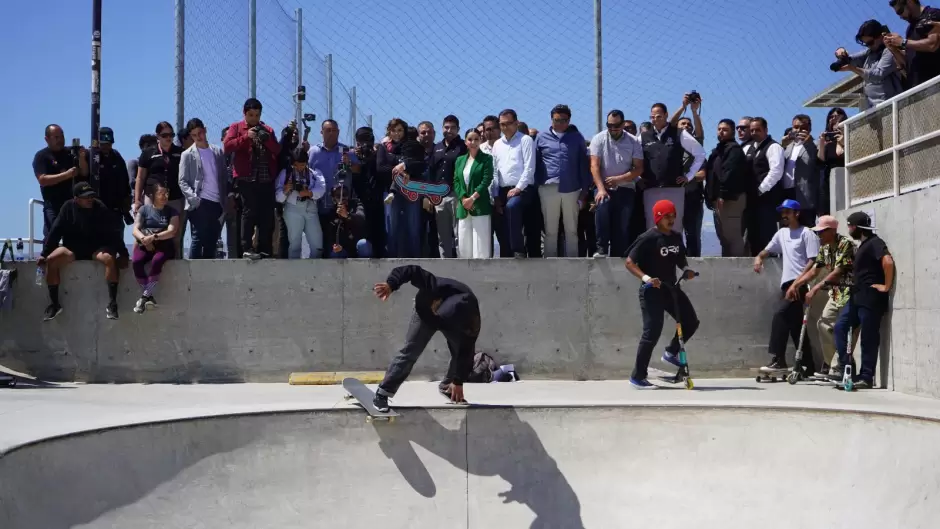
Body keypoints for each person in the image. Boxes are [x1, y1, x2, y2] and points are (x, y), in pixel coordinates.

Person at [371, 265, 481, 412]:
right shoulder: (433, 284)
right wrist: (391, 284)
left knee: (460, 352)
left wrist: (458, 381)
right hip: (424, 316)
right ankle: (383, 392)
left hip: (455, 324)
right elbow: (410, 270)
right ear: (438, 301)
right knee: (410, 351)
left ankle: (448, 386)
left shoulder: (471, 321)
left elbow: (465, 352)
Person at [624, 200, 699, 389]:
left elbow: (681, 260)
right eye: (667, 216)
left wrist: (687, 270)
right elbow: (629, 263)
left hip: (671, 289)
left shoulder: (676, 237)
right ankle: (638, 377)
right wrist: (647, 278)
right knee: (652, 333)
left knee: (690, 321)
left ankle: (671, 352)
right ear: (658, 217)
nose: (671, 219)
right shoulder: (648, 238)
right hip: (651, 291)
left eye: (673, 215)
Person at [38, 182, 125, 321]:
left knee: (109, 258)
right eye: (86, 197)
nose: (90, 199)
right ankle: (54, 304)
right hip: (72, 249)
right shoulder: (67, 208)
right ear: (76, 198)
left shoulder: (100, 207)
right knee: (52, 259)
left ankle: (112, 304)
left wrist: (124, 253)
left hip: (96, 249)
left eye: (91, 195)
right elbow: (55, 232)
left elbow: (113, 232)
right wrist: (44, 254)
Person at [753, 199, 820, 376]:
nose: (784, 216)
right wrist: (759, 258)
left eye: (787, 212)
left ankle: (779, 360)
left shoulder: (807, 233)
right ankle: (808, 366)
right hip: (787, 285)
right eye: (782, 212)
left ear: (796, 213)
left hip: (800, 284)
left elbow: (813, 260)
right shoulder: (781, 233)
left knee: (780, 315)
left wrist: (798, 282)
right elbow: (767, 250)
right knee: (795, 326)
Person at [787, 215, 856, 377]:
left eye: (822, 232)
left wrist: (816, 288)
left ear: (832, 230)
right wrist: (795, 284)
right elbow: (814, 270)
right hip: (836, 293)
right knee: (823, 324)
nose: (819, 235)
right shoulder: (824, 248)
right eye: (818, 232)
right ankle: (833, 365)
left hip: (850, 292)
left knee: (843, 329)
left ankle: (839, 365)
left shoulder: (846, 244)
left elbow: (839, 272)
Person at [832, 212, 894, 389]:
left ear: (857, 227)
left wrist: (886, 286)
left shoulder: (875, 242)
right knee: (840, 327)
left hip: (871, 299)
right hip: (857, 297)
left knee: (868, 337)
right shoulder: (864, 245)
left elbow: (888, 262)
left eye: (850, 226)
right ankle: (847, 370)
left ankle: (866, 377)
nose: (849, 229)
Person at [179, 118, 231, 259]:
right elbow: (182, 181)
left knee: (212, 239)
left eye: (200, 133)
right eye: (194, 135)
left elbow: (223, 177)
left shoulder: (217, 151)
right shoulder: (187, 154)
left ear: (205, 129)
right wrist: (194, 199)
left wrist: (224, 200)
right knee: (198, 237)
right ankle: (193, 273)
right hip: (200, 202)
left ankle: (207, 272)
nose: (198, 137)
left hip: (217, 202)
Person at [136, 121, 186, 258]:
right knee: (149, 230)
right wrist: (137, 201)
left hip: (174, 197)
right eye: (164, 135)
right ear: (158, 136)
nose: (168, 138)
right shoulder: (147, 153)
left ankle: (175, 262)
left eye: (171, 135)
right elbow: (140, 178)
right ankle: (148, 261)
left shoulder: (180, 153)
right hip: (152, 198)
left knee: (175, 233)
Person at [131, 181, 180, 313]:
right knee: (136, 261)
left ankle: (144, 297)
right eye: (161, 193)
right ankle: (149, 296)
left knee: (157, 261)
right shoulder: (144, 210)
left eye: (166, 193)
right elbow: (135, 229)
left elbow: (172, 231)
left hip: (163, 244)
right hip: (145, 242)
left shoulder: (172, 211)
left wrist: (153, 238)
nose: (164, 196)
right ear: (153, 195)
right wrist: (144, 240)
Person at [833, 20, 903, 108]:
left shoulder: (890, 51)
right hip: (873, 107)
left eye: (870, 43)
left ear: (880, 36)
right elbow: (850, 60)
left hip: (891, 105)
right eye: (866, 44)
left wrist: (853, 68)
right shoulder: (869, 53)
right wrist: (842, 55)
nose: (869, 46)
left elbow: (878, 75)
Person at [275, 148, 327, 259]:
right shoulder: (286, 173)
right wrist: (286, 190)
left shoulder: (314, 173)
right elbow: (278, 197)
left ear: (306, 163)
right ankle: (294, 273)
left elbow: (322, 189)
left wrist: (309, 193)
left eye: (302, 165)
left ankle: (315, 271)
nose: (299, 168)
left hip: (310, 208)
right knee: (295, 244)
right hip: (293, 208)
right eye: (296, 165)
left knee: (317, 244)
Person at [453, 129, 494, 259]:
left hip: (479, 204)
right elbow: (456, 180)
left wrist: (472, 198)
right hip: (463, 205)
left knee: (480, 243)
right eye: (470, 139)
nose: (473, 142)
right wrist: (464, 198)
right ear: (465, 142)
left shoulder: (486, 159)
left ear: (480, 140)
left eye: (476, 139)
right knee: (464, 243)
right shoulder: (460, 160)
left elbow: (486, 180)